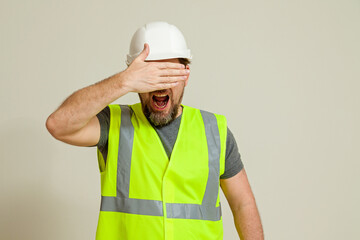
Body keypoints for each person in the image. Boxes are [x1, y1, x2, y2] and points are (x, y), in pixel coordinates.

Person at [46, 21, 264, 240]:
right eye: (151, 75)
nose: (160, 85)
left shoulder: (215, 132)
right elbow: (58, 124)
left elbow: (242, 204)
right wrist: (124, 81)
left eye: (168, 74)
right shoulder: (113, 124)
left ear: (186, 75)